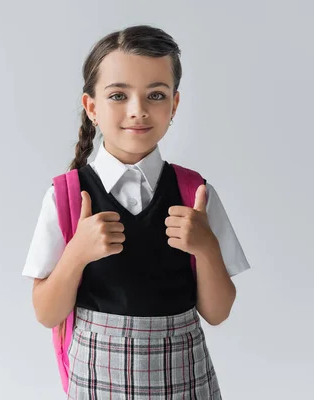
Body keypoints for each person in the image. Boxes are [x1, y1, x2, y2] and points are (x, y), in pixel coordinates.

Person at [21, 25, 251, 399]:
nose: (138, 111)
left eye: (155, 95)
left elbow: (218, 312)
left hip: (184, 376)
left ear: (174, 105)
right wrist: (77, 254)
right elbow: (47, 314)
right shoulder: (66, 196)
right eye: (118, 95)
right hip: (97, 377)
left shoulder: (196, 194)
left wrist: (207, 247)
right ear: (91, 107)